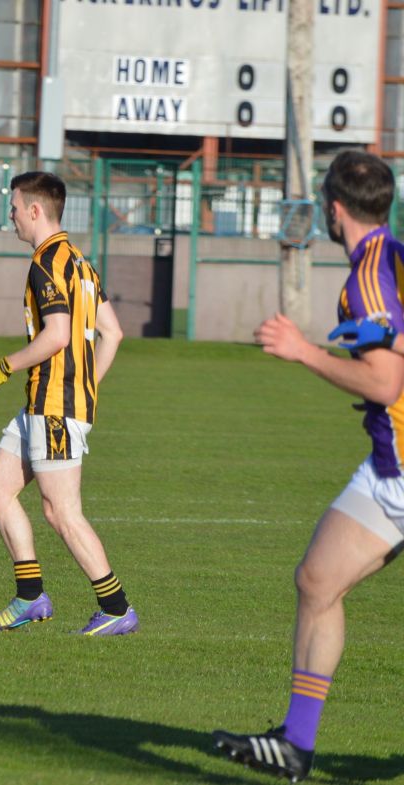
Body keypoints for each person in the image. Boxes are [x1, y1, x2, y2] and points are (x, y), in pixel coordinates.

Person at [212, 150, 404, 782]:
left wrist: (303, 352)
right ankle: (296, 743)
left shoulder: (371, 275)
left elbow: (384, 381)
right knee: (318, 581)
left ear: (333, 207)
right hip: (387, 466)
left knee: (318, 583)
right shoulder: (389, 257)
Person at [0, 170, 134, 636]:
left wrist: (6, 365)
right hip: (45, 405)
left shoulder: (46, 262)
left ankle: (116, 607)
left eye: (14, 207)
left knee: (61, 512)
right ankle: (30, 597)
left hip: (54, 408)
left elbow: (58, 334)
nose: (10, 216)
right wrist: (88, 388)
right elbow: (114, 332)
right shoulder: (80, 264)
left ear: (35, 210)